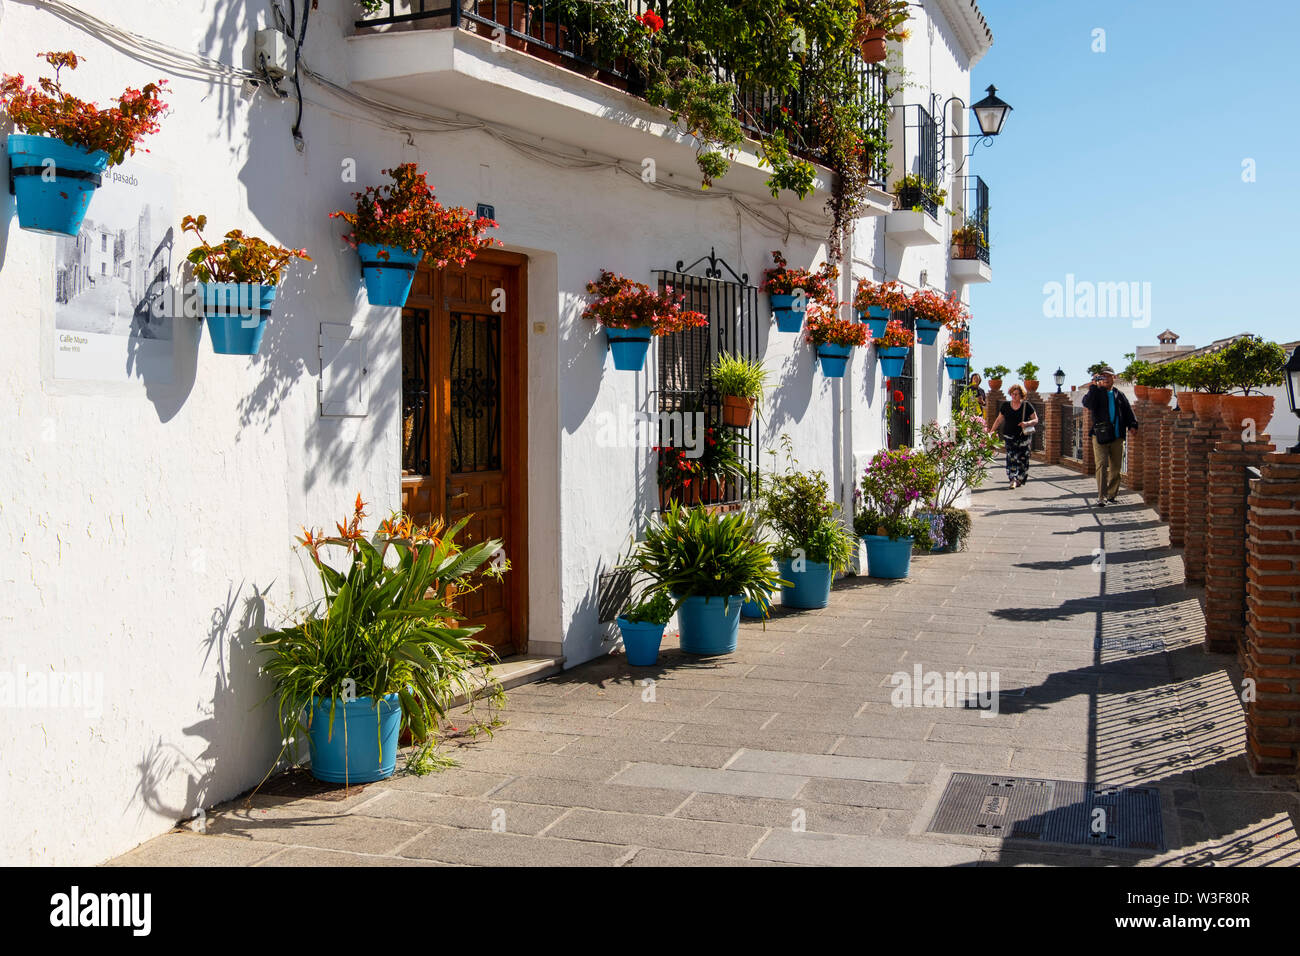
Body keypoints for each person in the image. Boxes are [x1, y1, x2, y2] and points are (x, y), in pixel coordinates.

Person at [1081, 364, 1139, 506]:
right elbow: (1087, 403)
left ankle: (1111, 495)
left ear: (1114, 377)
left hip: (1117, 436)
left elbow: (1127, 411)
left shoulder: (1119, 394)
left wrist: (1133, 425)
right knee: (1101, 465)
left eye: (1108, 375)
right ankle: (1101, 496)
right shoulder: (1096, 392)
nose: (1105, 378)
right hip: (1099, 435)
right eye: (1103, 376)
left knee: (1115, 467)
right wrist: (1093, 386)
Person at [989, 384, 1039, 489]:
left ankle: (1020, 478)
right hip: (1009, 436)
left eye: (1016, 394)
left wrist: (1027, 423)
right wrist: (991, 431)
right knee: (1011, 458)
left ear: (1021, 395)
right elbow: (999, 419)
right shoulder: (1006, 406)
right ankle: (1012, 479)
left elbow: (1036, 420)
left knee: (1023, 459)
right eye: (1012, 394)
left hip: (1023, 437)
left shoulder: (1027, 406)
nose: (1014, 396)